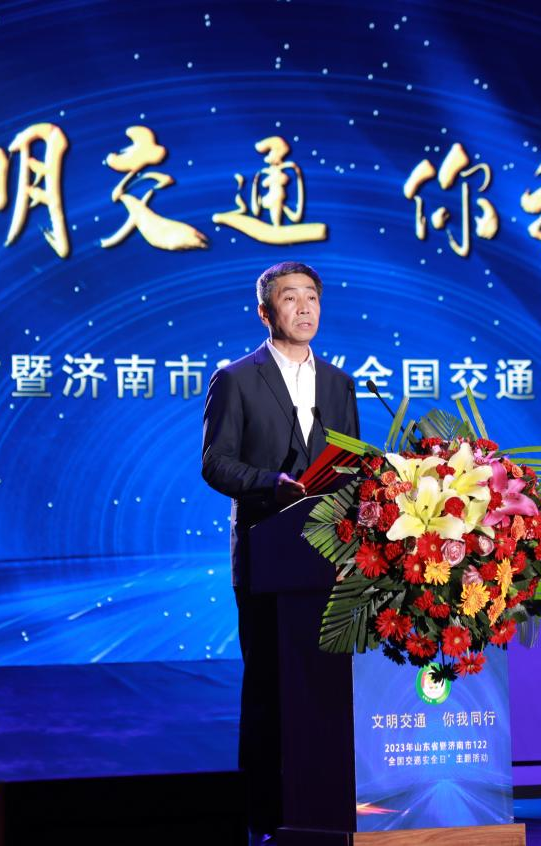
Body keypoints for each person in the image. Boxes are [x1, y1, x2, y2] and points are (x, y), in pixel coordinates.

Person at [201, 261, 359, 845]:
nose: (304, 307)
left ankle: (330, 808)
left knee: (330, 690)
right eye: (290, 298)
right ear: (265, 313)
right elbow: (216, 463)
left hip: (332, 564)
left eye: (311, 296)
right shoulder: (237, 379)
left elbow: (350, 465)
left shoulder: (340, 383)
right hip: (268, 558)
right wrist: (272, 484)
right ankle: (264, 818)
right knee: (269, 688)